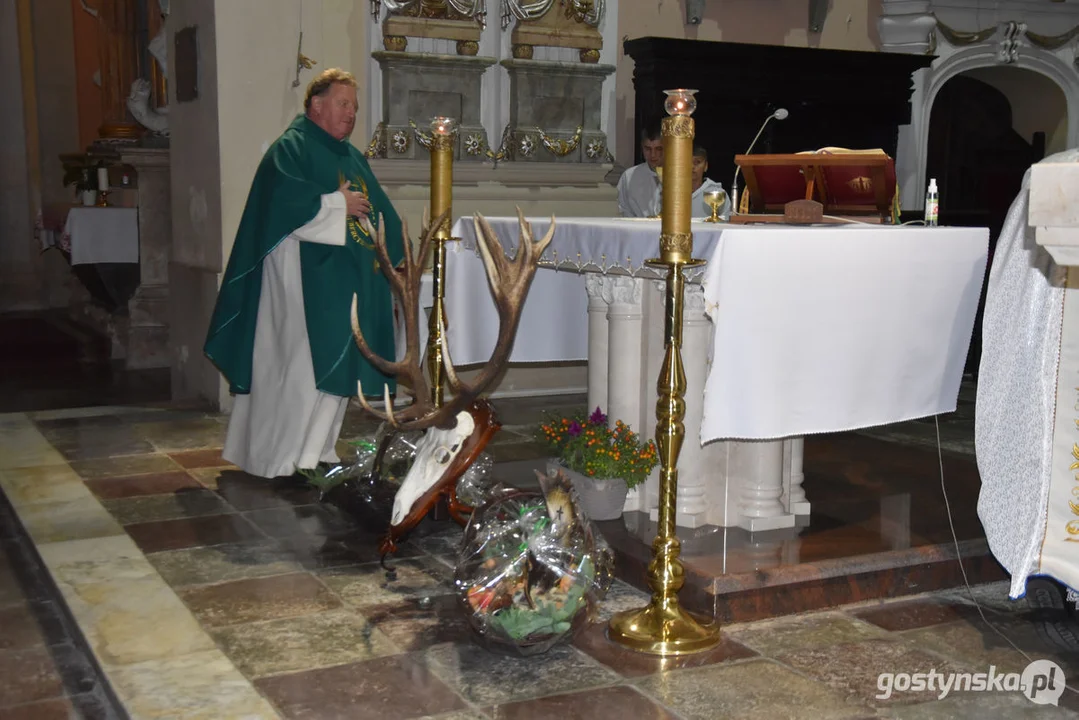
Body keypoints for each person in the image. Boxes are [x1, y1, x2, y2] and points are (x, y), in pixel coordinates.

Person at [204, 68, 404, 479]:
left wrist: (395, 251)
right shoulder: (290, 148)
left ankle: (319, 452)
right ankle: (282, 459)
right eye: (343, 104)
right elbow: (282, 206)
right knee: (299, 368)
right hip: (299, 282)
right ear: (316, 105)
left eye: (354, 107)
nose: (351, 114)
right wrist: (335, 206)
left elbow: (380, 210)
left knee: (339, 366)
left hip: (345, 282)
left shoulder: (351, 157)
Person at [652, 145, 730, 219]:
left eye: (697, 162)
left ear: (706, 166)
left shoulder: (718, 194)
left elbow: (725, 225)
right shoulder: (669, 191)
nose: (692, 167)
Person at [616, 122, 663, 217]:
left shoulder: (680, 175)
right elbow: (622, 209)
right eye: (648, 149)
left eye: (658, 149)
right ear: (642, 147)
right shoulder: (629, 176)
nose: (653, 155)